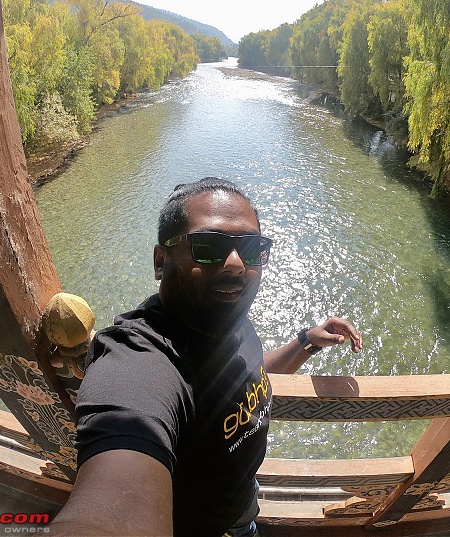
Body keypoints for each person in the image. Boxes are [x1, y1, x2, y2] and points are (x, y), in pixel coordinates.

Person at [50, 177, 362, 537]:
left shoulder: (230, 320)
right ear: (160, 260)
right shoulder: (139, 358)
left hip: (242, 503)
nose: (235, 264)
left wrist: (306, 342)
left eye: (250, 247)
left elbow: (251, 371)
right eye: (208, 246)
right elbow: (113, 495)